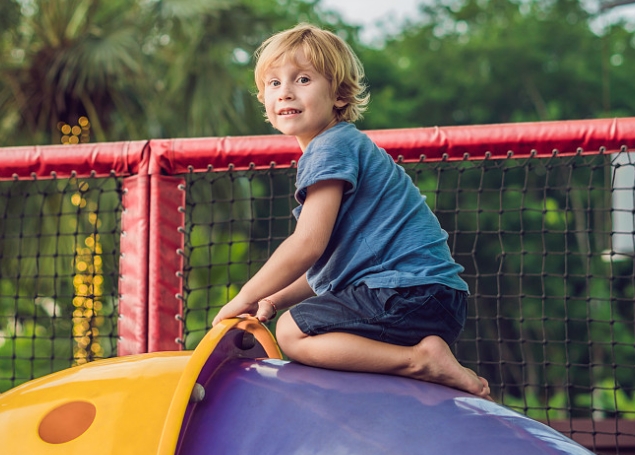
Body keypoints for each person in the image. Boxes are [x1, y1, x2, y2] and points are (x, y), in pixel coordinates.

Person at [212, 23, 490, 399]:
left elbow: (307, 244)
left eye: (303, 79)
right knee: (301, 319)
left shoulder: (330, 148)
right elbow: (329, 267)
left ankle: (419, 360)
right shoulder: (341, 147)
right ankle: (414, 362)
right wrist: (274, 299)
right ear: (263, 98)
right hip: (430, 297)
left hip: (408, 294)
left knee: (294, 332)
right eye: (274, 83)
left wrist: (244, 297)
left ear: (339, 95)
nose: (286, 91)